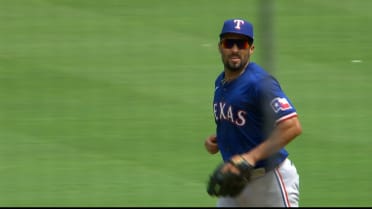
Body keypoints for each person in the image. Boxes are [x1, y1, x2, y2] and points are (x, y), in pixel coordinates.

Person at [204, 18, 303, 207]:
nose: (234, 49)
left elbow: (292, 126)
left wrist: (250, 157)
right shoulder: (221, 82)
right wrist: (219, 139)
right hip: (235, 181)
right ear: (220, 47)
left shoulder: (260, 83)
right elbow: (242, 121)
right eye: (229, 43)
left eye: (241, 44)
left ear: (251, 49)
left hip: (270, 180)